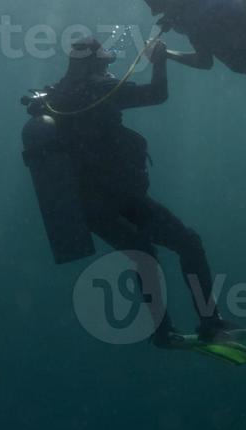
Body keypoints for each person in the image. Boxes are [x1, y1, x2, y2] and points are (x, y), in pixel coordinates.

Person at [22, 37, 235, 352]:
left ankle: (164, 331)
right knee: (186, 243)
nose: (110, 69)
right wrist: (159, 60)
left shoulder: (59, 97)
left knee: (144, 253)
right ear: (95, 64)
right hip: (122, 198)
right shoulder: (100, 92)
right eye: (106, 63)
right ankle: (210, 322)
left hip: (90, 205)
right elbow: (157, 94)